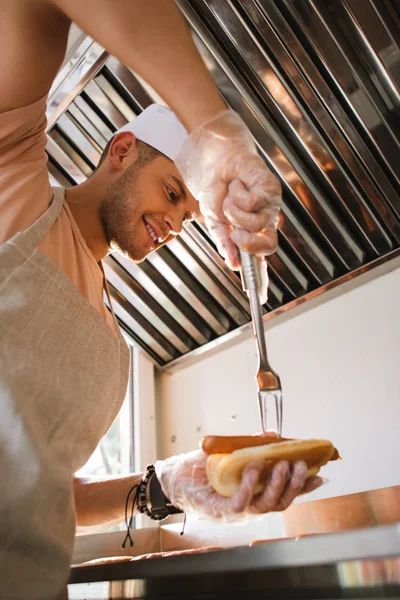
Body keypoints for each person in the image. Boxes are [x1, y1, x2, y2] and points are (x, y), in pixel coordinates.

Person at [0, 1, 322, 598]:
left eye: (186, 214)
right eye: (175, 191)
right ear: (121, 151)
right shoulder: (13, 176)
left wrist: (166, 486)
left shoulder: (113, 344)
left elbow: (43, 493)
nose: (175, 223)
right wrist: (212, 131)